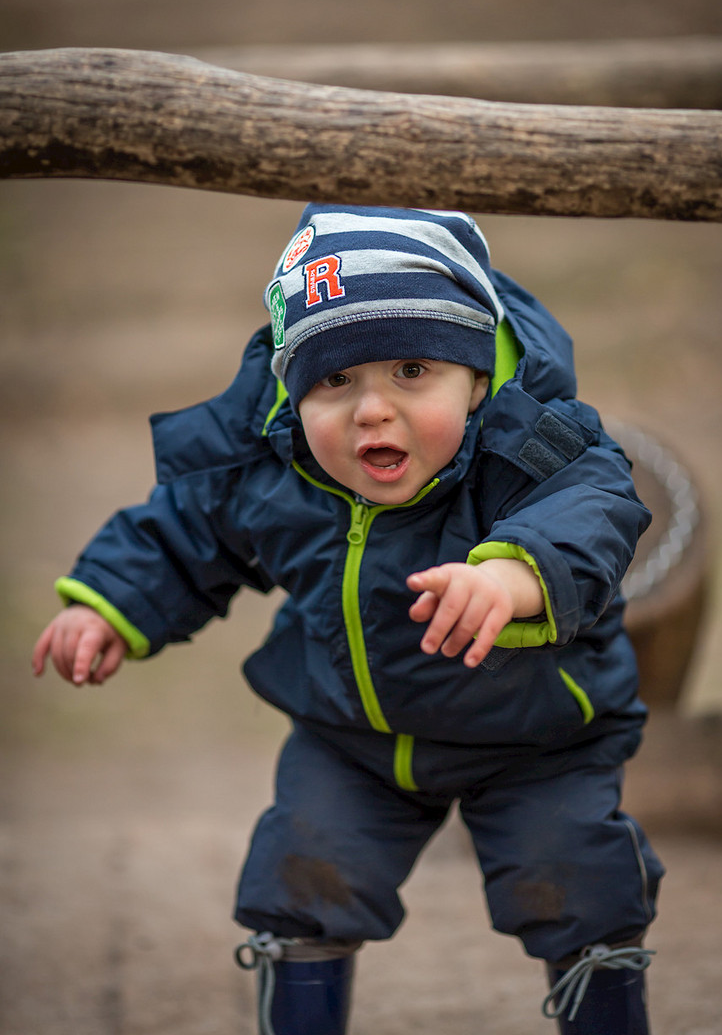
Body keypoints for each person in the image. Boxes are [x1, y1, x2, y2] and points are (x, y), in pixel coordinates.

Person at [31, 204, 663, 1034]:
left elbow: (597, 504)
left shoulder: (528, 442)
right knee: (302, 875)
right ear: (296, 395)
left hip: (537, 739)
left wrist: (519, 572)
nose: (372, 411)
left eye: (411, 371)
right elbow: (187, 528)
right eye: (335, 380)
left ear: (476, 377)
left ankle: (603, 1001)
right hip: (351, 739)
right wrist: (112, 602)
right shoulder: (277, 464)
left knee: (576, 878)